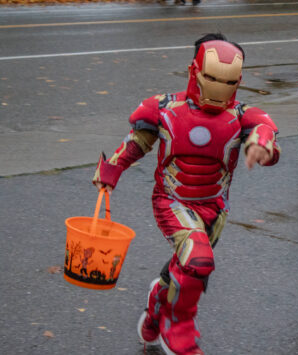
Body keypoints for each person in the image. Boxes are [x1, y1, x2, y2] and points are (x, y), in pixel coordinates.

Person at [93, 33, 280, 354]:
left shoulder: (241, 116)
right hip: (172, 201)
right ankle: (176, 329)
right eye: (211, 76)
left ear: (238, 80)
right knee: (198, 261)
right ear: (194, 71)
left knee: (189, 269)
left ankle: (157, 305)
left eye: (228, 80)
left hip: (215, 209)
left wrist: (261, 146)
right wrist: (111, 170)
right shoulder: (165, 108)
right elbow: (136, 142)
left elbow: (265, 133)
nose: (219, 86)